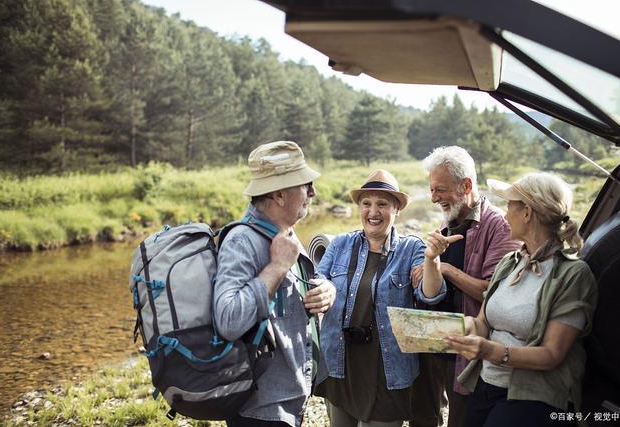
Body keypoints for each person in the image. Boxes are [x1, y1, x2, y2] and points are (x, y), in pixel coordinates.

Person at [447, 172, 598, 427]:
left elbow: (552, 354)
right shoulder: (510, 262)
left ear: (527, 212)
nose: (504, 215)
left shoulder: (572, 274)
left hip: (535, 396)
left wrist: (491, 351)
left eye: (509, 206)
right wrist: (463, 329)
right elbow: (484, 321)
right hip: (486, 384)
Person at [314, 169, 461, 427]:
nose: (373, 212)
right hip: (340, 365)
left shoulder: (411, 248)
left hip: (387, 371)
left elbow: (431, 295)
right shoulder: (340, 245)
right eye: (366, 204)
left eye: (382, 204)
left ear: (397, 210)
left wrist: (432, 260)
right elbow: (318, 281)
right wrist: (321, 291)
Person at [214, 140, 337, 427]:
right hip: (259, 412)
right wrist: (277, 266)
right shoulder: (241, 241)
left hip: (286, 405)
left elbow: (294, 288)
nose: (313, 192)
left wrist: (326, 290)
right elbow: (228, 319)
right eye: (305, 184)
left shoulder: (285, 234)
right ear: (280, 194)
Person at [410, 146, 520, 427]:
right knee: (422, 415)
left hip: (468, 348)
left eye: (440, 190)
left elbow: (496, 293)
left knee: (460, 418)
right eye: (431, 190)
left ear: (466, 185)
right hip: (433, 339)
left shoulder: (499, 226)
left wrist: (446, 269)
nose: (434, 198)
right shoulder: (448, 222)